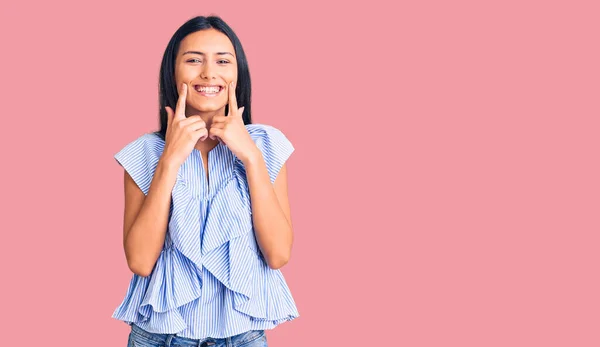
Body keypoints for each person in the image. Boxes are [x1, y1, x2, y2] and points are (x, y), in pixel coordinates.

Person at [111, 15, 299, 347]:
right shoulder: (145, 153)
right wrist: (170, 161)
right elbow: (140, 261)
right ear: (173, 71)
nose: (209, 73)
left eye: (222, 61)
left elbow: (278, 254)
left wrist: (251, 157)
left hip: (243, 339)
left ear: (237, 72)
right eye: (194, 60)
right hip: (160, 339)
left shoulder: (267, 146)